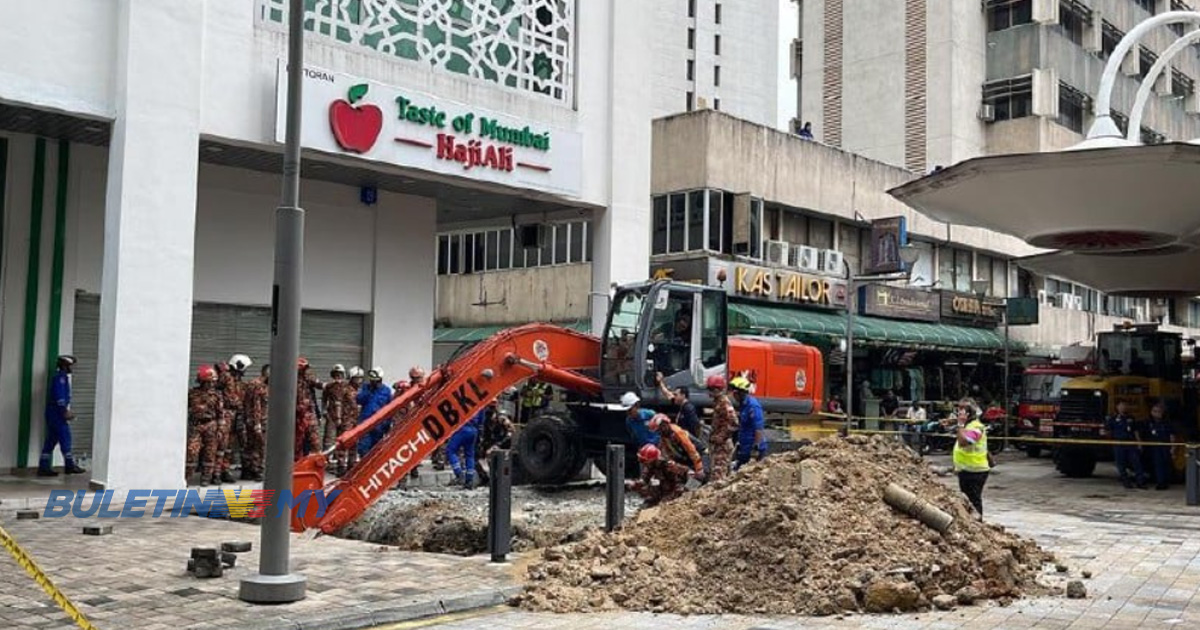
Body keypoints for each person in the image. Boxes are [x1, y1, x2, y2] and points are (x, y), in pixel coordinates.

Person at [37, 355, 85, 476]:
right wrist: (64, 411)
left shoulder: (59, 377)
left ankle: (43, 466)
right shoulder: (60, 378)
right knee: (65, 438)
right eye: (70, 365)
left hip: (53, 413)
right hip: (57, 413)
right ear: (65, 365)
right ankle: (69, 466)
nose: (71, 368)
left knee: (51, 440)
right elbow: (60, 396)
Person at [186, 365, 224, 486]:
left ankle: (206, 478)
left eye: (213, 382)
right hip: (196, 426)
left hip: (211, 425)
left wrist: (220, 428)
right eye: (209, 382)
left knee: (210, 452)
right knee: (192, 452)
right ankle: (187, 476)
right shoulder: (192, 394)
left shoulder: (217, 395)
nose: (211, 384)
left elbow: (220, 413)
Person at [953, 406, 991, 516]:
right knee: (968, 500)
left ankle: (978, 524)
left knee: (974, 501)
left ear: (967, 415)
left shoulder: (976, 427)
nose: (958, 415)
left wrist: (960, 424)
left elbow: (963, 442)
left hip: (975, 471)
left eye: (960, 413)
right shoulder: (969, 426)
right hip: (967, 470)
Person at [648, 414, 705, 479]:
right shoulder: (665, 436)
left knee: (701, 476)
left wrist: (699, 468)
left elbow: (691, 450)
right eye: (658, 431)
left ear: (665, 425)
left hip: (700, 453)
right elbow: (666, 451)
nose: (659, 432)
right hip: (686, 456)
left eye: (660, 430)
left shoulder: (678, 432)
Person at [729, 376, 767, 469]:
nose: (733, 396)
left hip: (753, 450)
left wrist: (756, 448)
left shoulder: (753, 406)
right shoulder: (743, 405)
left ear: (740, 393)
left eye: (734, 393)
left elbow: (758, 429)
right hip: (744, 448)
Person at [1107, 400, 1146, 489]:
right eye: (1121, 405)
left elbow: (1135, 431)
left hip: (1131, 443)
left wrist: (1139, 443)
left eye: (1125, 405)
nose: (1123, 407)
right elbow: (1108, 431)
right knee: (1121, 464)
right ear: (1117, 407)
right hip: (1119, 443)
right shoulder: (1113, 418)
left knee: (1136, 462)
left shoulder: (1131, 418)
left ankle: (1140, 482)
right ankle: (1126, 482)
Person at [706, 375, 738, 482]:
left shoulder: (724, 403)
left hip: (722, 447)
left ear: (717, 389)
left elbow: (734, 422)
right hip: (718, 446)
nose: (709, 392)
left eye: (711, 389)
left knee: (718, 478)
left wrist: (721, 437)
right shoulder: (717, 402)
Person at [323, 365, 354, 475]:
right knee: (328, 440)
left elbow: (352, 403)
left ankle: (341, 465)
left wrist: (350, 416)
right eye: (336, 375)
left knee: (342, 441)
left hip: (345, 418)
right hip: (331, 417)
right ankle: (325, 463)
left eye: (340, 374)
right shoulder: (329, 387)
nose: (338, 377)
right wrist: (324, 411)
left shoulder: (348, 387)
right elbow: (324, 399)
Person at [226, 354, 253, 479]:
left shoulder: (241, 383)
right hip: (228, 416)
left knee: (244, 443)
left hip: (240, 416)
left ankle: (247, 470)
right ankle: (223, 471)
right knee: (226, 444)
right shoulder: (227, 380)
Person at [356, 368, 393, 459]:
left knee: (377, 450)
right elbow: (359, 399)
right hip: (366, 423)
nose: (373, 382)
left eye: (375, 381)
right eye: (372, 380)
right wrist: (369, 391)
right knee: (363, 449)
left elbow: (390, 408)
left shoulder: (386, 391)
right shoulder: (366, 388)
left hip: (379, 426)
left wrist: (387, 425)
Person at [241, 364, 270, 481]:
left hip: (253, 420)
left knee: (250, 446)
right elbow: (256, 405)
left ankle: (247, 471)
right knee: (260, 447)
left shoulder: (263, 384)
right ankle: (258, 470)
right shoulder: (258, 385)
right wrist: (257, 423)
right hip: (258, 421)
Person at [476, 406, 514, 485]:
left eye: (491, 415)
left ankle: (498, 479)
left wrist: (498, 445)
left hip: (503, 442)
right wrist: (483, 445)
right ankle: (486, 477)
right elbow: (486, 435)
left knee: (499, 461)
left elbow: (510, 433)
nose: (490, 418)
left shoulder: (502, 420)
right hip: (492, 442)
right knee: (479, 455)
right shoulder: (487, 421)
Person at [294, 358, 324, 459]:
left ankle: (316, 460)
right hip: (295, 415)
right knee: (297, 440)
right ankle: (297, 462)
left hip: (308, 413)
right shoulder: (290, 380)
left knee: (314, 439)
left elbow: (319, 384)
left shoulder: (308, 379)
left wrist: (328, 385)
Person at [655, 372, 701, 437]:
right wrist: (660, 382)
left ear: (683, 395)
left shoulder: (689, 408)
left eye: (676, 395)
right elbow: (667, 393)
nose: (674, 396)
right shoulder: (680, 405)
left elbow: (696, 425)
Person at [446, 410, 484, 489]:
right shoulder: (479, 402)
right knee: (469, 455)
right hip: (473, 430)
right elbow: (481, 420)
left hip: (462, 427)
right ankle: (469, 480)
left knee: (451, 451)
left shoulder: (461, 399)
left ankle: (458, 473)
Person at [1145, 401, 1173, 491]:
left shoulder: (1166, 423)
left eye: (1158, 411)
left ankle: (1166, 481)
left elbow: (1172, 435)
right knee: (1157, 464)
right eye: (1154, 411)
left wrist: (1173, 447)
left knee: (1166, 464)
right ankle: (1160, 482)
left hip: (1165, 446)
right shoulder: (1149, 422)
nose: (1156, 413)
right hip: (1154, 447)